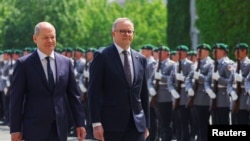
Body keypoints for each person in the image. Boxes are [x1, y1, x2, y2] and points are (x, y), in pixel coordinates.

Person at [9, 21, 86, 141]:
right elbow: (16, 99)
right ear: (35, 38)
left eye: (52, 37)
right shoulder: (24, 64)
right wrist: (15, 129)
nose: (50, 41)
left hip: (60, 129)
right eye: (45, 37)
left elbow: (74, 96)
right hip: (34, 129)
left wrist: (80, 123)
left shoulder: (66, 62)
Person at [88, 17, 150, 141]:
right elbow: (93, 92)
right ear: (113, 33)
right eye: (122, 31)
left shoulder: (140, 59)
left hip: (136, 125)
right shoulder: (102, 56)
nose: (126, 34)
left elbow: (143, 93)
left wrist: (146, 124)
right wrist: (96, 123)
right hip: (111, 125)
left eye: (129, 31)